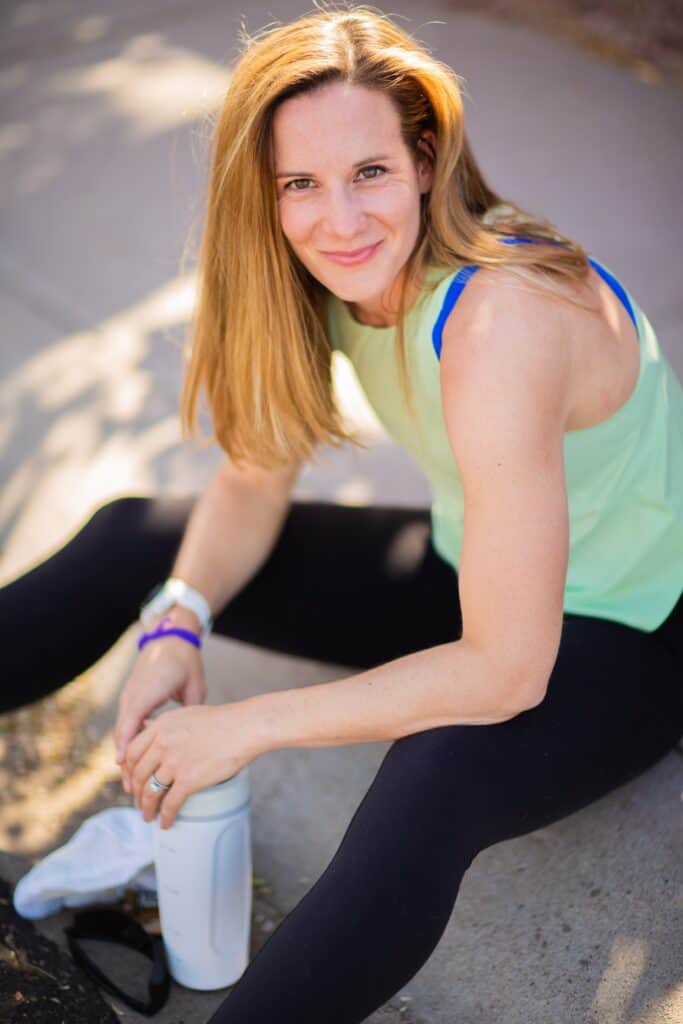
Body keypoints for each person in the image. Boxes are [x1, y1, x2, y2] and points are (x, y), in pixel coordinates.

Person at [1, 5, 681, 1022]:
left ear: (421, 158)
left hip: (633, 629)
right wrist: (177, 619)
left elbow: (504, 668)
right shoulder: (324, 274)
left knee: (434, 773)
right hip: (474, 565)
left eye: (366, 171)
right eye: (299, 185)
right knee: (130, 540)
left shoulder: (502, 317)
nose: (341, 218)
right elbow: (249, 478)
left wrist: (241, 728)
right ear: (264, 198)